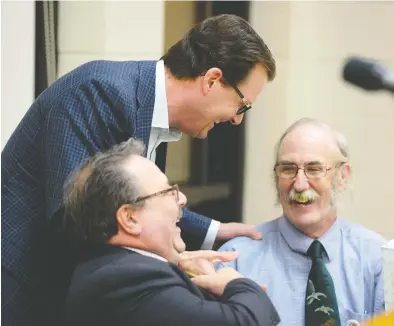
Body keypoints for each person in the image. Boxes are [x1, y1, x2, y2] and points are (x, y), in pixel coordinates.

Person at [1, 14, 275, 326]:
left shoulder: (150, 109)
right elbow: (77, 219)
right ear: (212, 80)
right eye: (242, 105)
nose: (238, 119)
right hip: (19, 288)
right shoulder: (98, 92)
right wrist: (172, 262)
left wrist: (213, 231)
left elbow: (135, 204)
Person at [62, 138, 280, 326]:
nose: (182, 199)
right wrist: (237, 284)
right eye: (168, 192)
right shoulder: (129, 279)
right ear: (130, 218)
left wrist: (186, 270)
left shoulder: (119, 269)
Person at [217, 118, 386, 326]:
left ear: (342, 176)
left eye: (314, 169)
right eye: (288, 169)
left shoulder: (376, 258)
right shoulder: (235, 260)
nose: (299, 184)